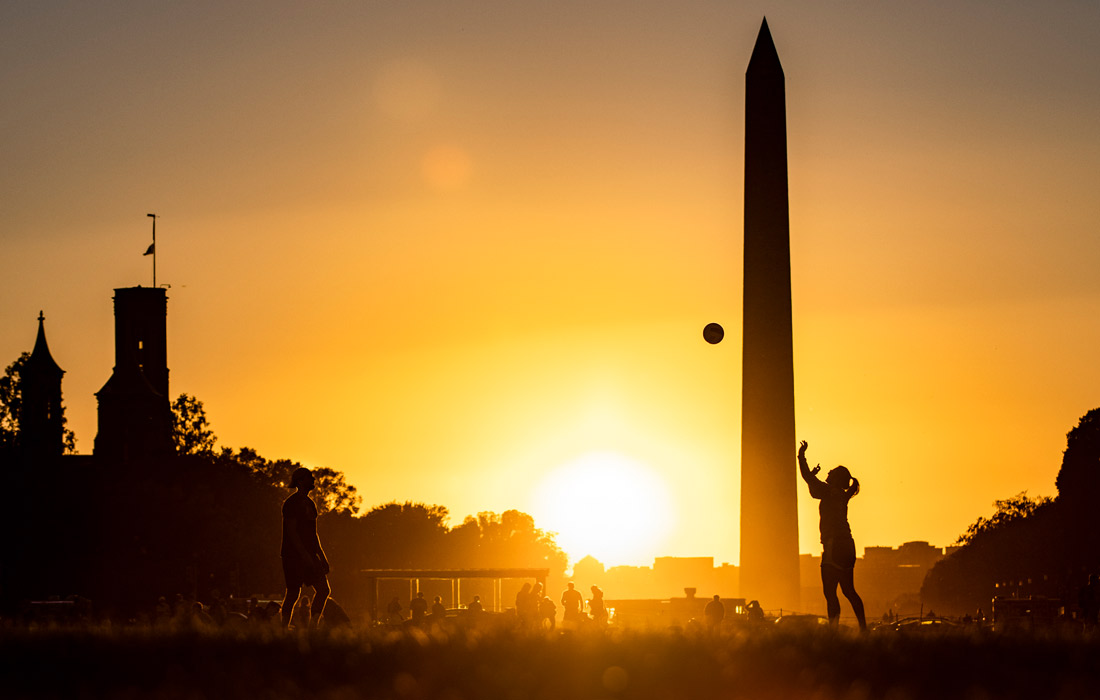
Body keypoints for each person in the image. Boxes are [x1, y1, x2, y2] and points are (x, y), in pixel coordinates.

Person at [798, 440, 867, 631]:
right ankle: (863, 629)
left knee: (830, 592)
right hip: (848, 545)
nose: (827, 473)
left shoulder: (828, 491)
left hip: (834, 545)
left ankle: (833, 631)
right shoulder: (841, 495)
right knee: (849, 590)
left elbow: (806, 478)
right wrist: (813, 476)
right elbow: (812, 484)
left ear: (836, 478)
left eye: (831, 472)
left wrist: (801, 456)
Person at [280, 467, 331, 630]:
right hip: (292, 556)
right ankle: (283, 629)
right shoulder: (291, 503)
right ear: (301, 481)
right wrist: (304, 555)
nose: (314, 480)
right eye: (310, 478)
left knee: (323, 590)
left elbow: (313, 534)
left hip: (309, 553)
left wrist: (322, 557)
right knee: (293, 593)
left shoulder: (310, 504)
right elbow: (292, 532)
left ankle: (312, 628)